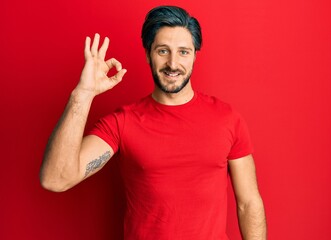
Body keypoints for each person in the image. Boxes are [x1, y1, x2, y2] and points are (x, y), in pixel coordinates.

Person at [40, 5, 267, 240]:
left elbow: (249, 203)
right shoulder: (122, 123)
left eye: (183, 52)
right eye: (162, 51)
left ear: (195, 55)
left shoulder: (227, 119)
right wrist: (83, 93)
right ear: (148, 54)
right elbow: (56, 179)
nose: (173, 63)